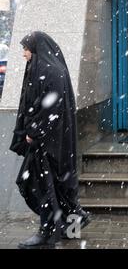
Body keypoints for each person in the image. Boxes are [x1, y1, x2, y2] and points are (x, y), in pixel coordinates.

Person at [10, 31, 90, 248]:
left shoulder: (50, 72)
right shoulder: (52, 70)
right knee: (57, 186)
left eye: (26, 49)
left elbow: (49, 109)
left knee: (41, 185)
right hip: (55, 142)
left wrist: (33, 132)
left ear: (37, 49)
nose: (24, 54)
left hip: (48, 143)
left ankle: (47, 232)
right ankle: (73, 223)